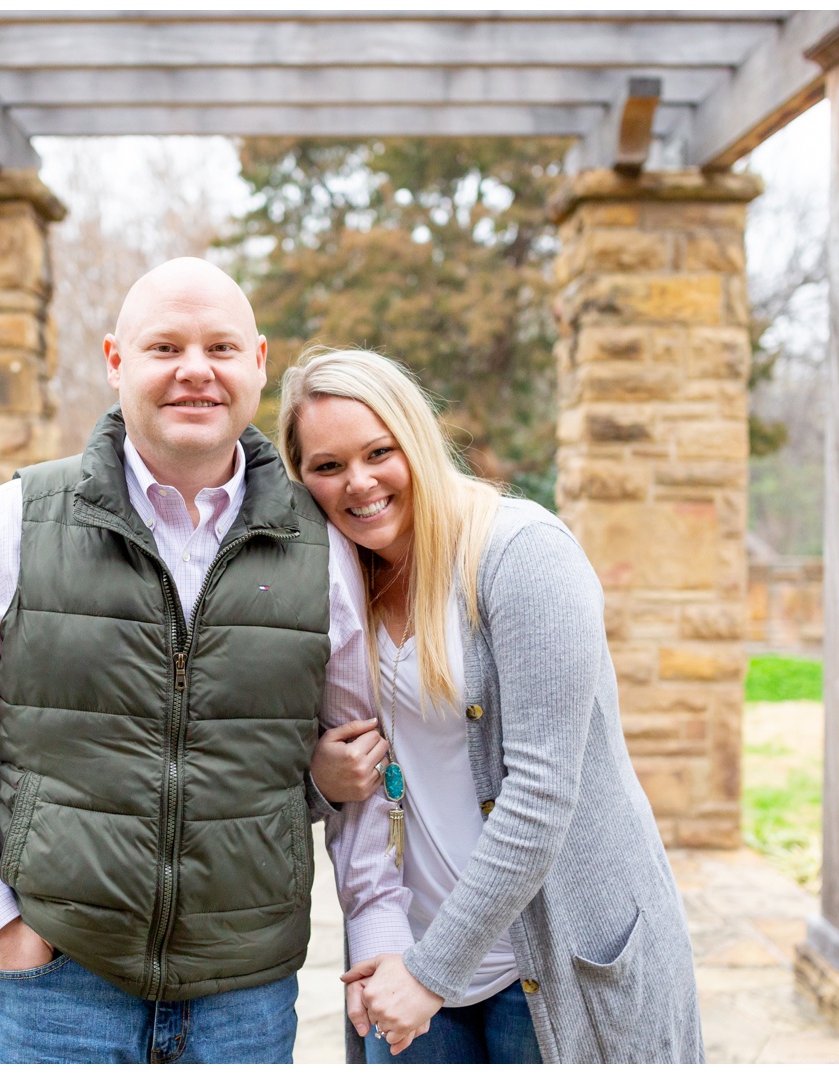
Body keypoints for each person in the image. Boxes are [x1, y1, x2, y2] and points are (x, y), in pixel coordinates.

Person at [0, 260, 383, 1064]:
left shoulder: (320, 550)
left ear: (258, 363)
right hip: (66, 985)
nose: (194, 371)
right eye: (164, 347)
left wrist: (376, 933)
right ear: (115, 361)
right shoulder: (16, 521)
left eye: (220, 346)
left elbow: (360, 764)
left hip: (244, 995)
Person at [276, 348, 705, 1064]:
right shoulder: (331, 589)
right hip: (404, 967)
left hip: (551, 968)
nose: (359, 482)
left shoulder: (522, 555)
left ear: (417, 440)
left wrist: (431, 973)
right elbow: (325, 782)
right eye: (327, 467)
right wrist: (319, 780)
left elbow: (539, 794)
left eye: (380, 452)